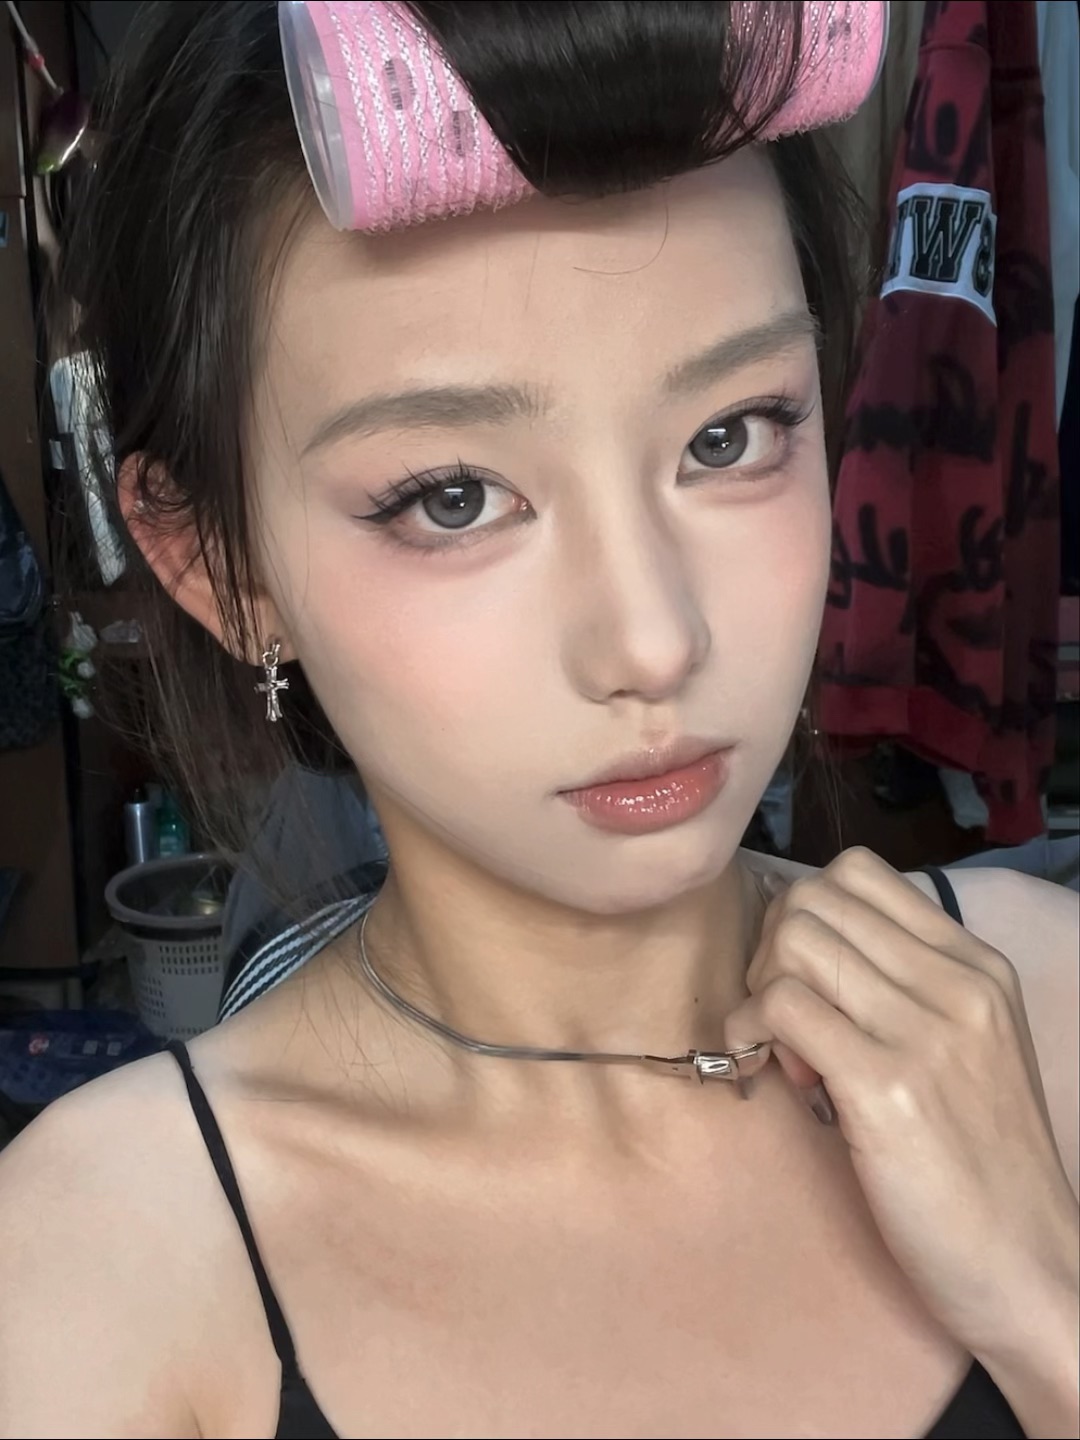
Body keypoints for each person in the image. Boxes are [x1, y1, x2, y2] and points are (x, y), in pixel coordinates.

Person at [1, 3, 1077, 1436]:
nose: (655, 639)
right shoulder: (104, 1263)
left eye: (732, 435)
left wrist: (1045, 1301)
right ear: (223, 572)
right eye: (454, 499)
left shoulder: (1041, 1010)